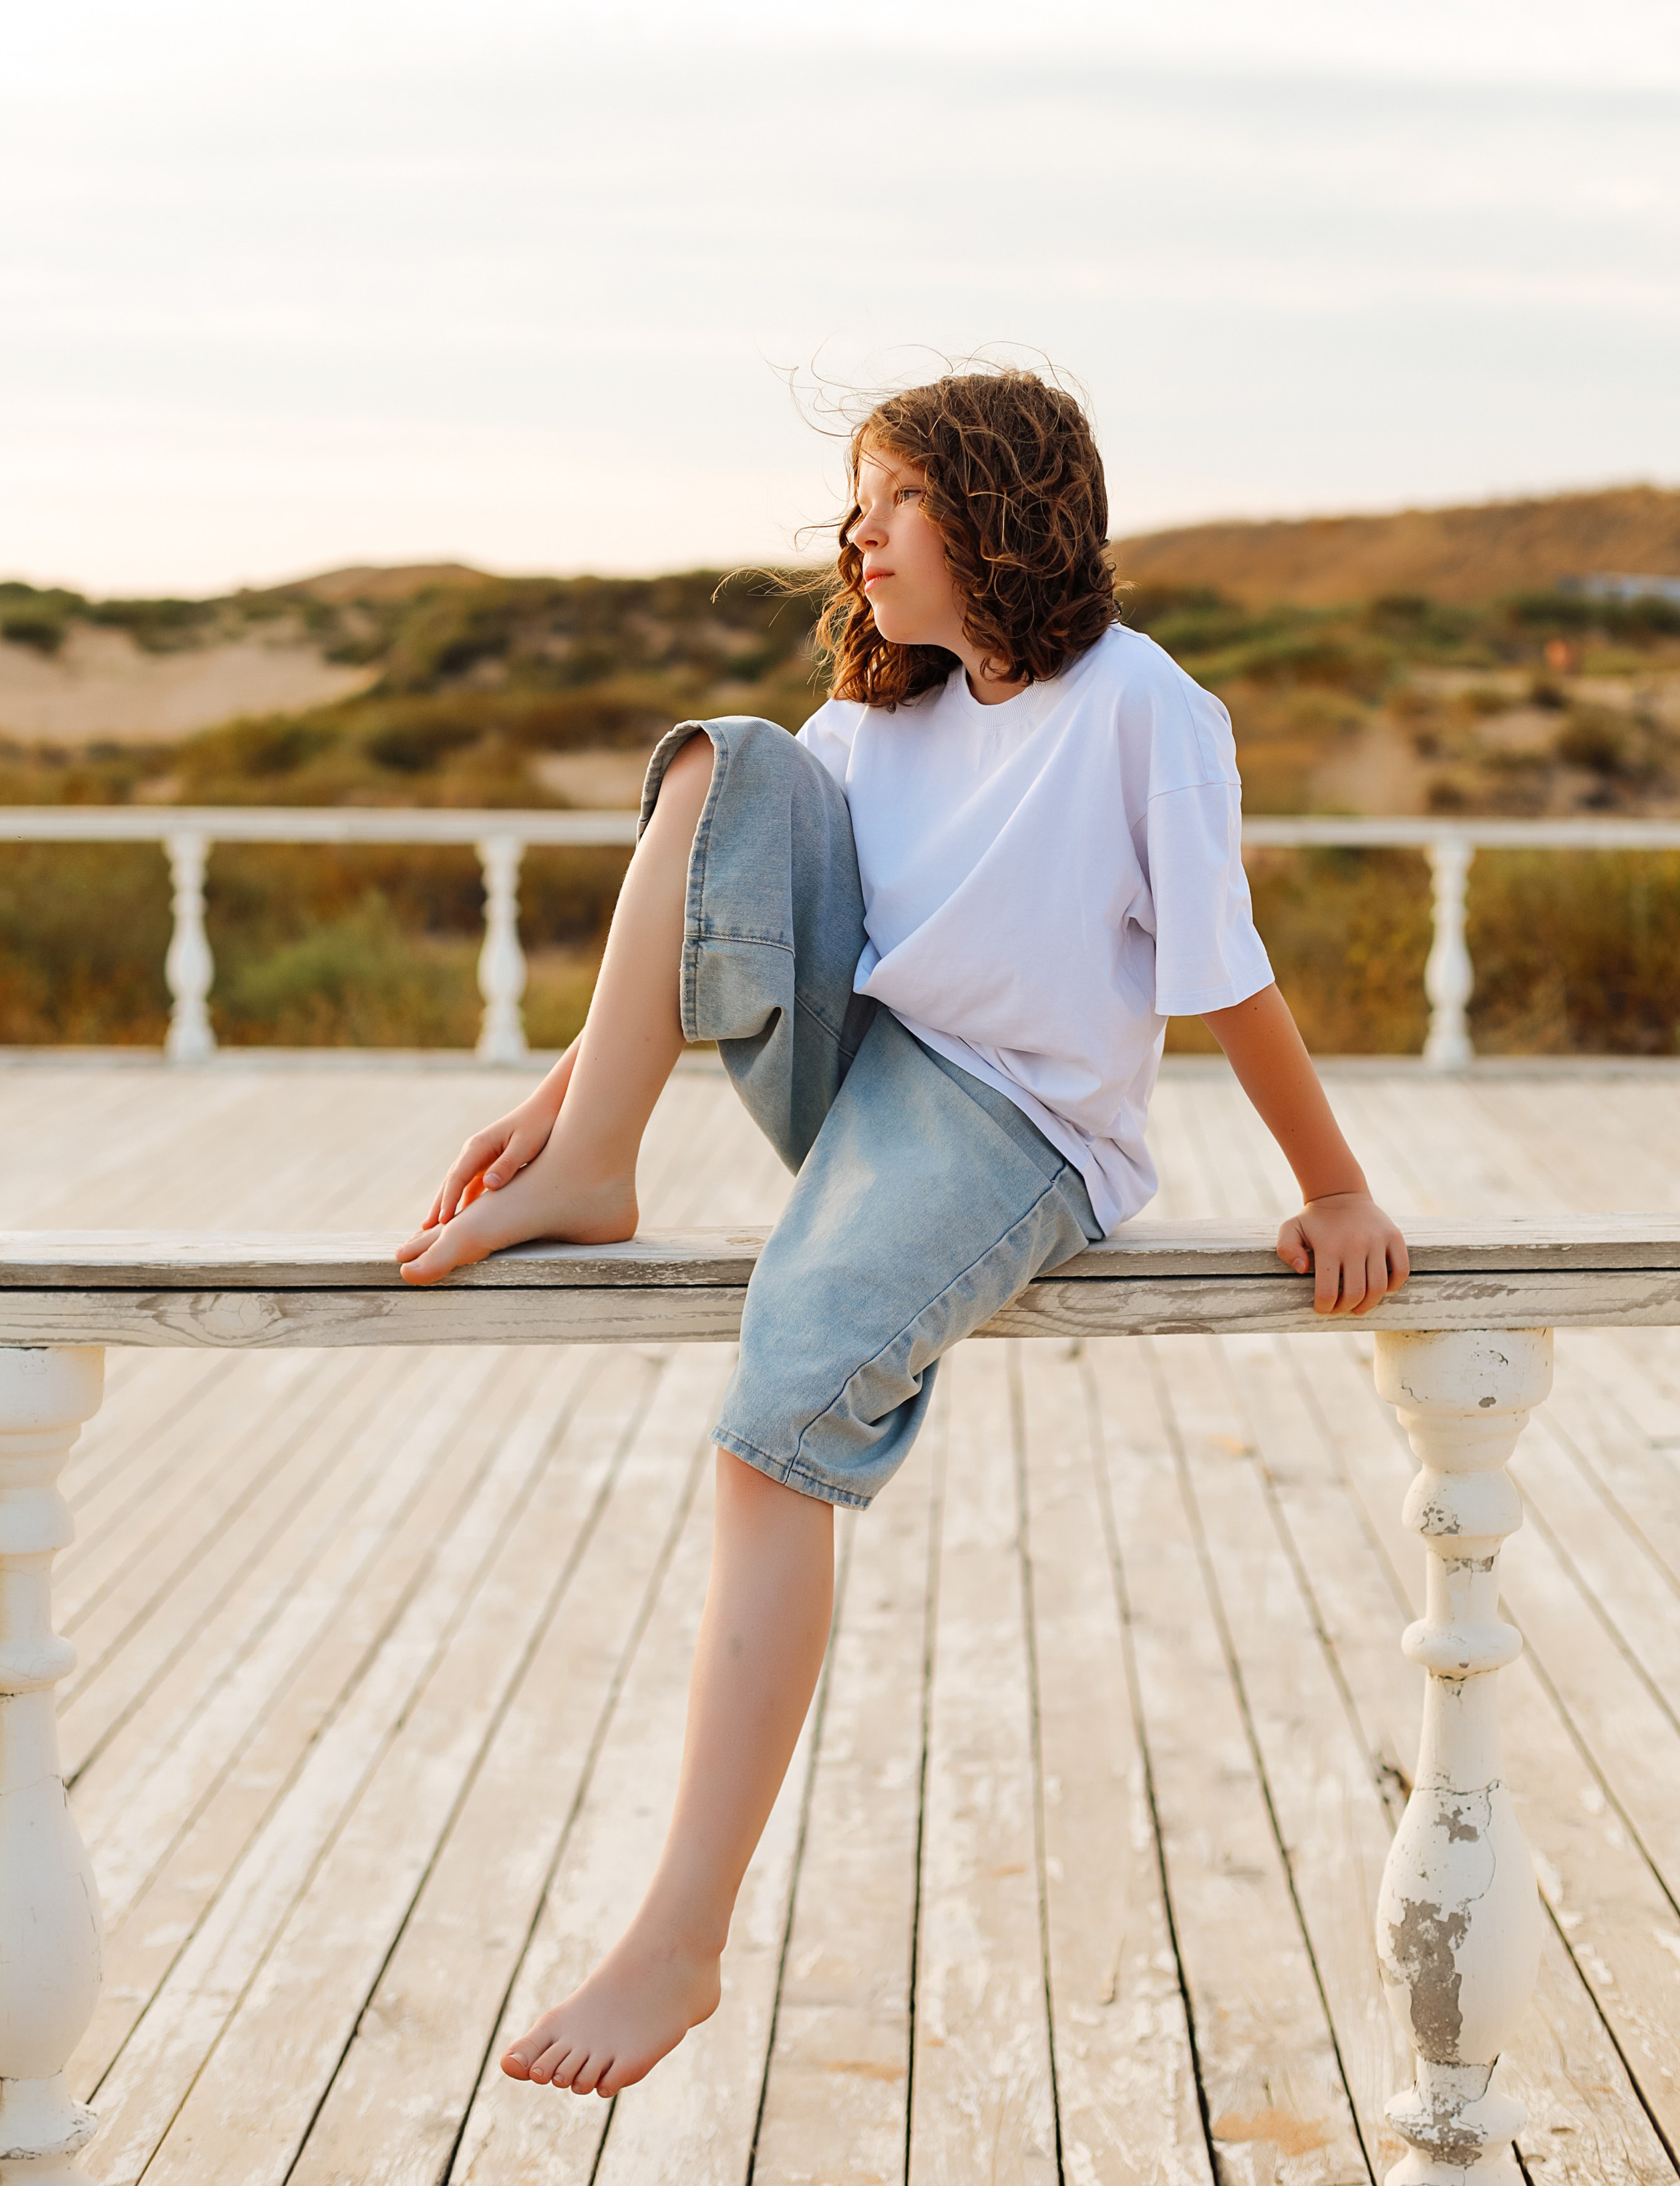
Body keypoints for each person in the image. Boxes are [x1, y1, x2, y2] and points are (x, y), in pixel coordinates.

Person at [395, 366, 1410, 2102]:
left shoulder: (1142, 706)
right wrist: (563, 1097)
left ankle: (679, 1934)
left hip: (1019, 1125)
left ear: (1002, 512)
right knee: (722, 763)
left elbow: (1224, 973)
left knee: (774, 1426)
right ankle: (603, 1163)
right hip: (864, 1076)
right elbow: (716, 893)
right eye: (857, 499)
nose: (858, 531)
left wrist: (1330, 1182)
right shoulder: (887, 721)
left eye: (897, 497)